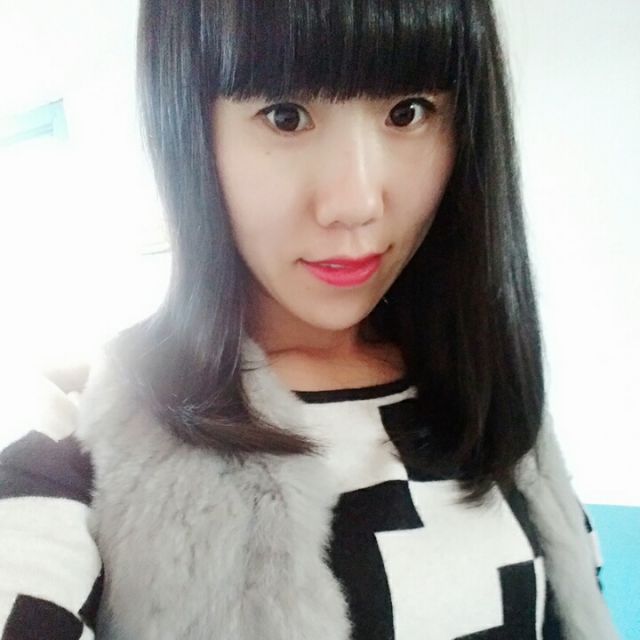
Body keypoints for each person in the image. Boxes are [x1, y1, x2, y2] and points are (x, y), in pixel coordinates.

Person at [0, 1, 620, 638]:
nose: (356, 202)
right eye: (285, 116)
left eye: (408, 111)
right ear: (189, 128)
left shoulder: (494, 396)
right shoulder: (88, 441)